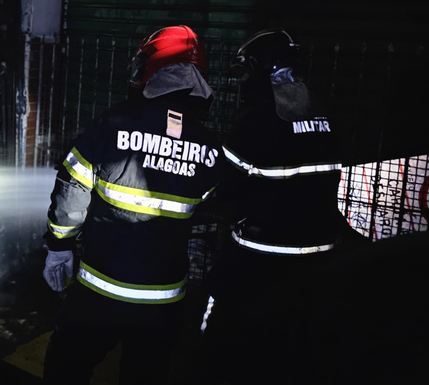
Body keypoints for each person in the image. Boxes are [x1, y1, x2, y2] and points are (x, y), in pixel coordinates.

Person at [41, 25, 223, 384]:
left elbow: (71, 193)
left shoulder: (113, 124)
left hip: (99, 294)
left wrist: (58, 246)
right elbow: (208, 205)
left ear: (149, 70)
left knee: (67, 369)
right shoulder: (210, 147)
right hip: (165, 303)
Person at [200, 28, 368, 384]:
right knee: (291, 351)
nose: (242, 82)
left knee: (224, 345)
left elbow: (221, 185)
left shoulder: (256, 121)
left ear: (262, 70)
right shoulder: (324, 114)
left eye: (245, 73)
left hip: (256, 260)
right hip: (316, 259)